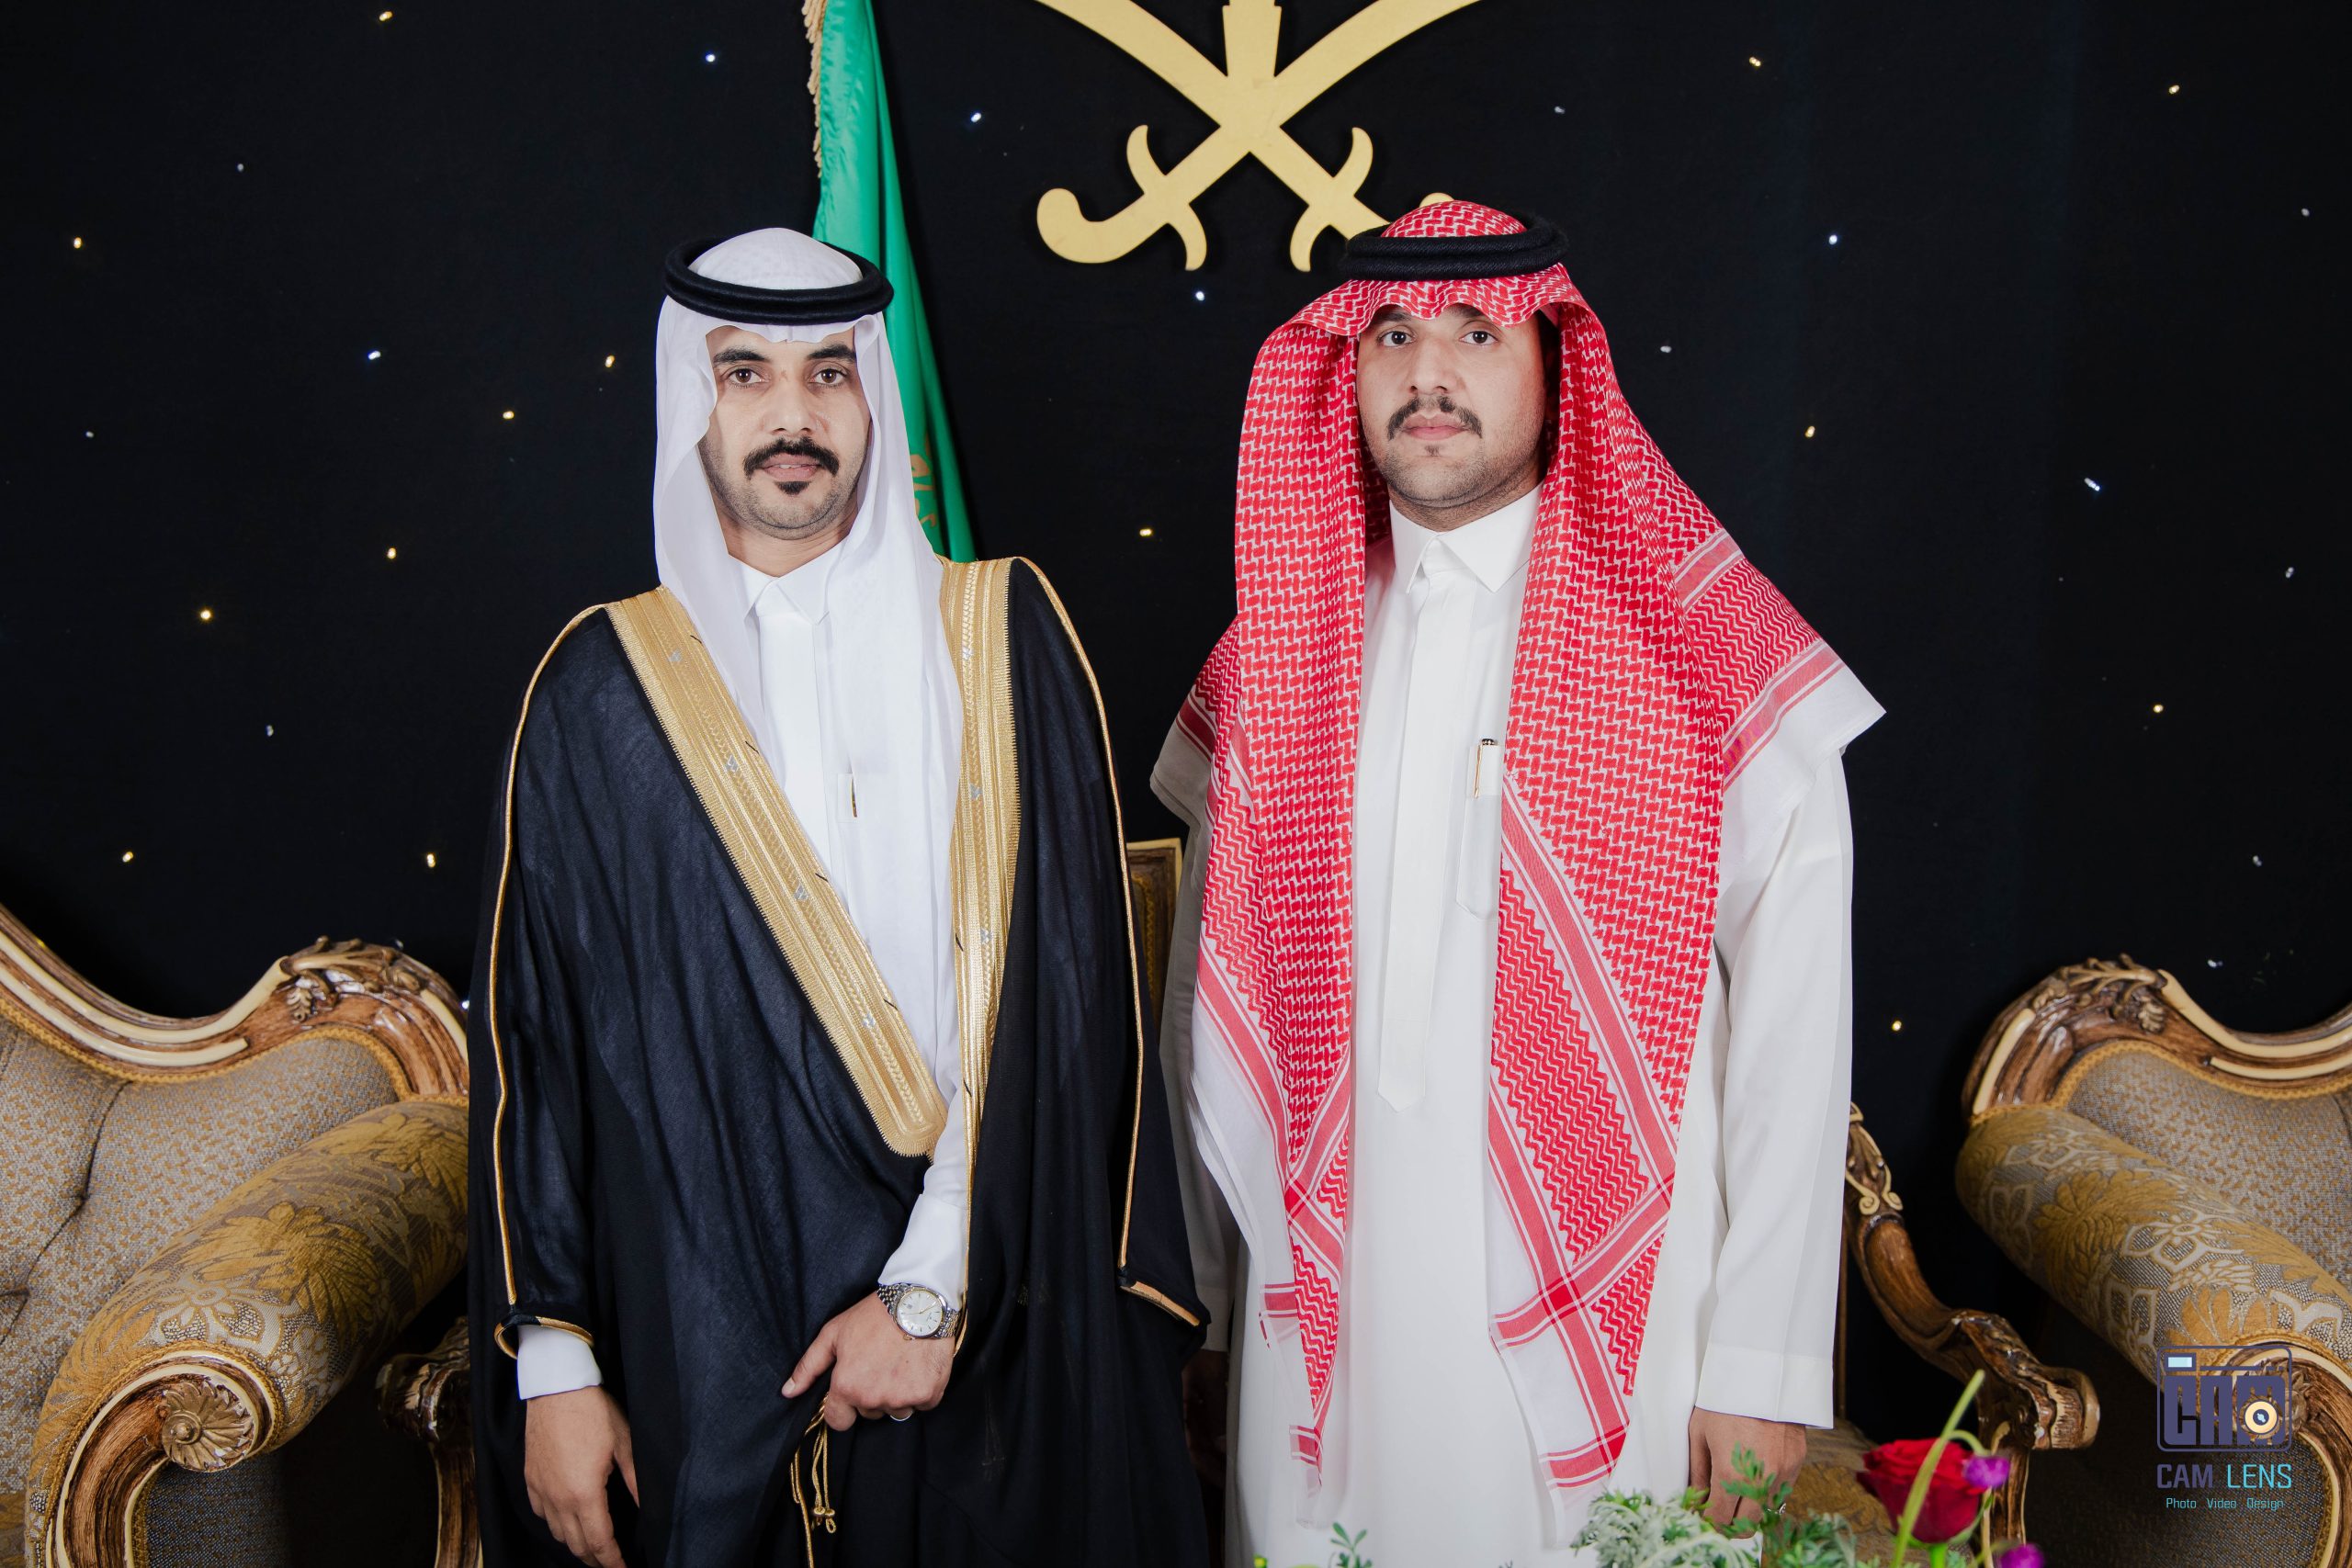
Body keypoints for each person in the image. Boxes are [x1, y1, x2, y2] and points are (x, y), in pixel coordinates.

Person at [1151, 200, 1882, 1566]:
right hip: (1317, 1329)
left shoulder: (1700, 643)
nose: (1427, 374)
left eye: (1477, 334)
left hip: (1621, 1322)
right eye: (1390, 335)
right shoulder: (1279, 652)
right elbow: (1208, 999)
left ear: (1557, 361)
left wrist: (1764, 1362)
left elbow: (1796, 1026)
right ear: (1343, 368)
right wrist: (1212, 1310)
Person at [465, 226, 1205, 1567]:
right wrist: (554, 1367)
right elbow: (539, 1046)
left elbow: (1070, 1000)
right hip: (700, 1340)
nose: (792, 416)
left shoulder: (1002, 635)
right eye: (744, 373)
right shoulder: (600, 690)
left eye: (828, 372)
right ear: (692, 402)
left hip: (986, 1313)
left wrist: (928, 1290)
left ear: (875, 397)